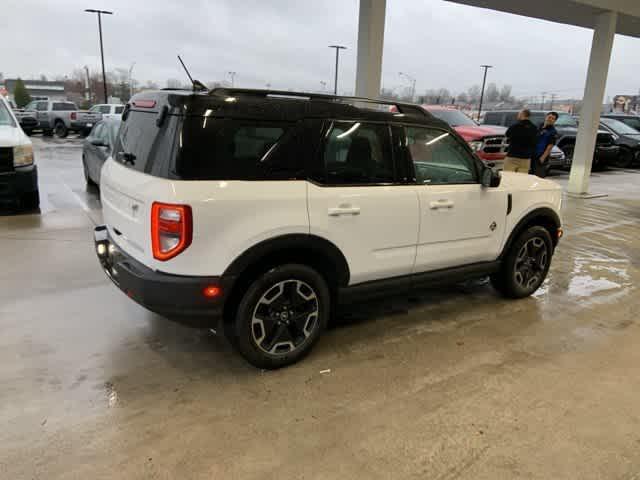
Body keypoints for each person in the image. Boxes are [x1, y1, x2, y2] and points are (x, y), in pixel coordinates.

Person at [503, 109, 538, 173]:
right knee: (522, 179)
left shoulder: (514, 126)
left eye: (519, 114)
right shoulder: (534, 128)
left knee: (508, 177)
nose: (517, 115)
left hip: (512, 156)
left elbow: (507, 135)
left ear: (522, 114)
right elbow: (535, 142)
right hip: (526, 158)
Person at [531, 112, 559, 178]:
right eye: (549, 117)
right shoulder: (538, 126)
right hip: (531, 155)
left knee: (538, 178)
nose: (550, 119)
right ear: (546, 117)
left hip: (540, 157)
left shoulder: (553, 132)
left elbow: (550, 146)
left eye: (553, 119)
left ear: (555, 121)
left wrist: (542, 158)